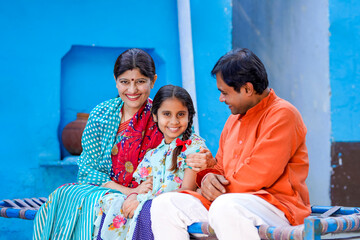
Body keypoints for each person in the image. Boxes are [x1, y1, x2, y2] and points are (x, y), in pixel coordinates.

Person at [150, 48, 311, 240]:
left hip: (277, 207)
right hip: (228, 202)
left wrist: (214, 189)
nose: (221, 98)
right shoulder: (233, 121)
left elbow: (259, 174)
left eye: (225, 92)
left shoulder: (284, 114)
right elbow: (221, 169)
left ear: (248, 89)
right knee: (164, 204)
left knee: (225, 207)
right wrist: (208, 177)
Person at [33, 48, 163, 240]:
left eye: (141, 82)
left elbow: (168, 164)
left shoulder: (162, 117)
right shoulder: (101, 114)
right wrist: (128, 191)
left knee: (121, 205)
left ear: (153, 80)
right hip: (103, 189)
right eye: (124, 82)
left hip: (146, 194)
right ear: (115, 80)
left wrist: (138, 193)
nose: (132, 90)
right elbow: (88, 169)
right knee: (64, 194)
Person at [93, 85, 207, 240]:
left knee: (146, 208)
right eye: (167, 114)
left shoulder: (193, 147)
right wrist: (135, 195)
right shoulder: (154, 154)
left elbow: (187, 189)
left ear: (189, 116)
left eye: (181, 114)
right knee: (113, 202)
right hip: (156, 201)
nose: (174, 121)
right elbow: (146, 186)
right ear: (155, 116)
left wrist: (141, 200)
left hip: (183, 205)